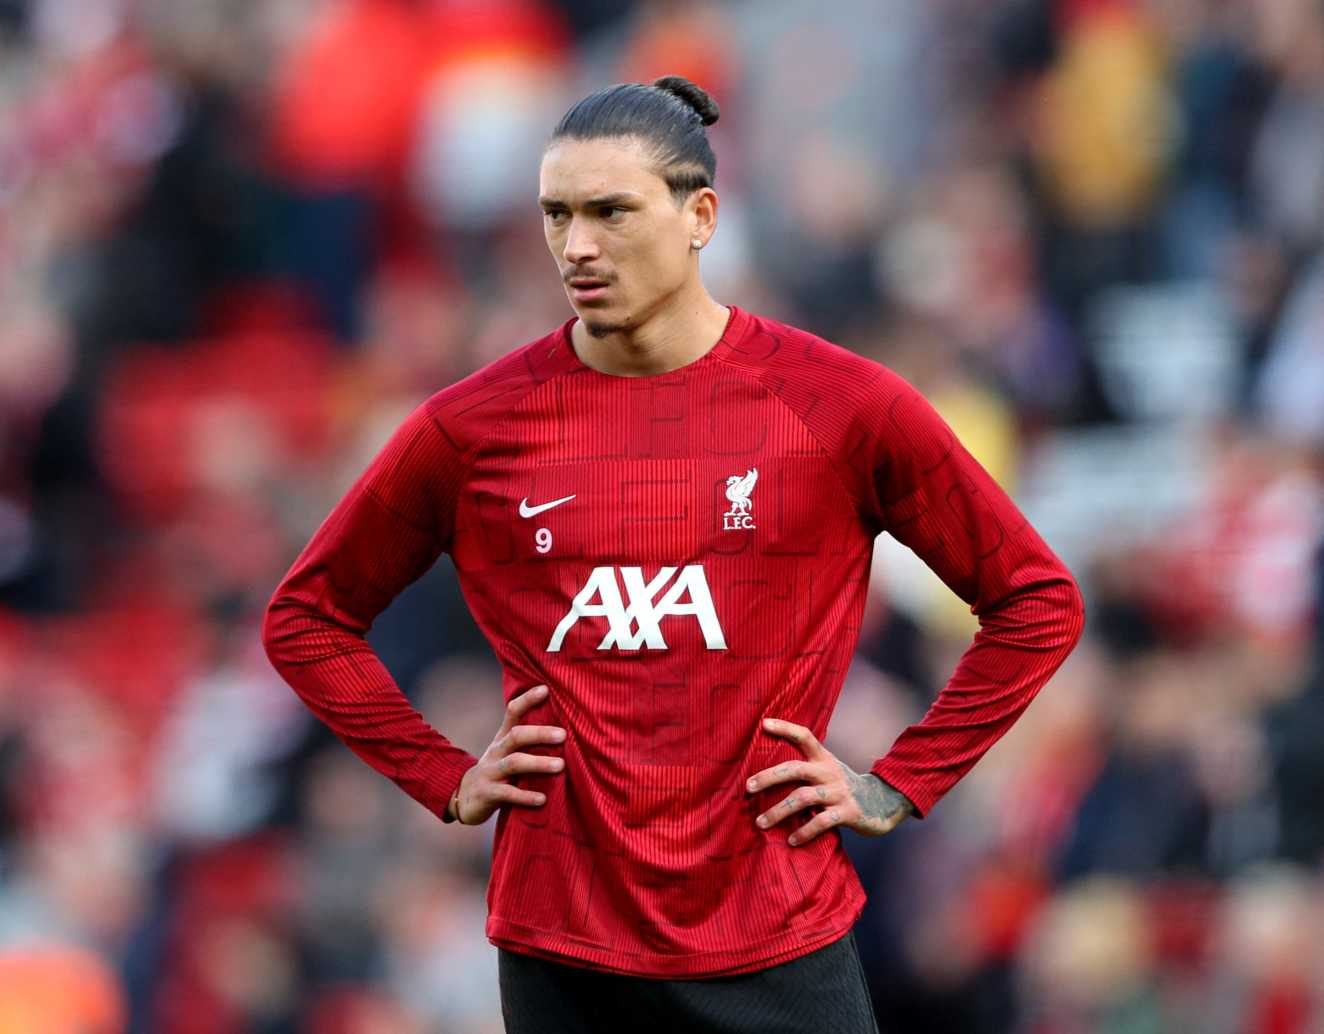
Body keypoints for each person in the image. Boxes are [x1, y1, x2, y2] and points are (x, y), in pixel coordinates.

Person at [262, 75, 1085, 1033]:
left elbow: (1036, 600)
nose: (577, 245)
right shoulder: (473, 428)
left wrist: (899, 781)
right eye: (557, 214)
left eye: (610, 211)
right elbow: (306, 618)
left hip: (777, 938)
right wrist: (442, 775)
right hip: (565, 950)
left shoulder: (839, 407)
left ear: (701, 218)